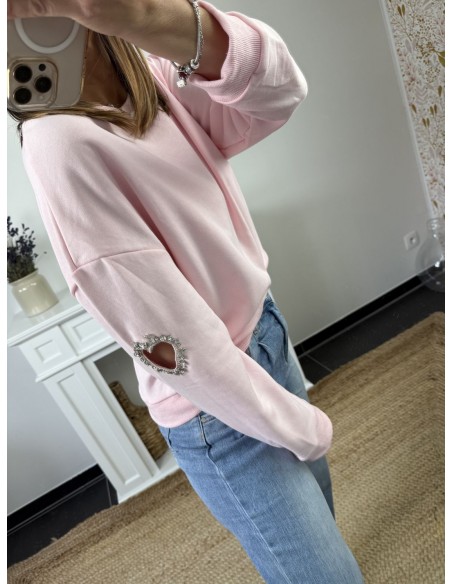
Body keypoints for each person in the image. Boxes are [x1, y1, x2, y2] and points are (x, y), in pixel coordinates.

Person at [8, 1, 364, 581]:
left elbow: (277, 93)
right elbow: (171, 338)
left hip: (264, 335)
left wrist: (148, 16)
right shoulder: (56, 141)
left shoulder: (148, 70)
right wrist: (300, 427)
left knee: (322, 528)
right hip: (216, 408)